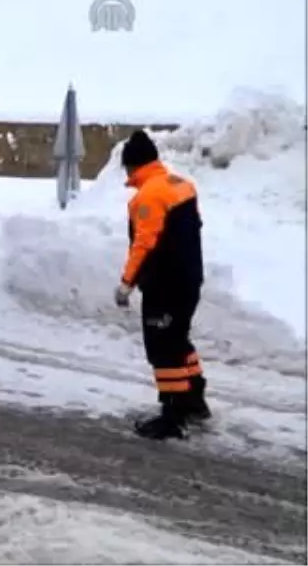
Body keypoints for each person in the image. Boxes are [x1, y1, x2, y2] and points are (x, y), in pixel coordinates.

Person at [114, 130, 211, 440]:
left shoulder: (148, 197)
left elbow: (144, 244)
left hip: (164, 285)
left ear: (133, 165)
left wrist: (127, 283)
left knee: (163, 348)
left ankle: (172, 417)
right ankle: (194, 401)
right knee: (178, 340)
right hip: (189, 279)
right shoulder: (180, 185)